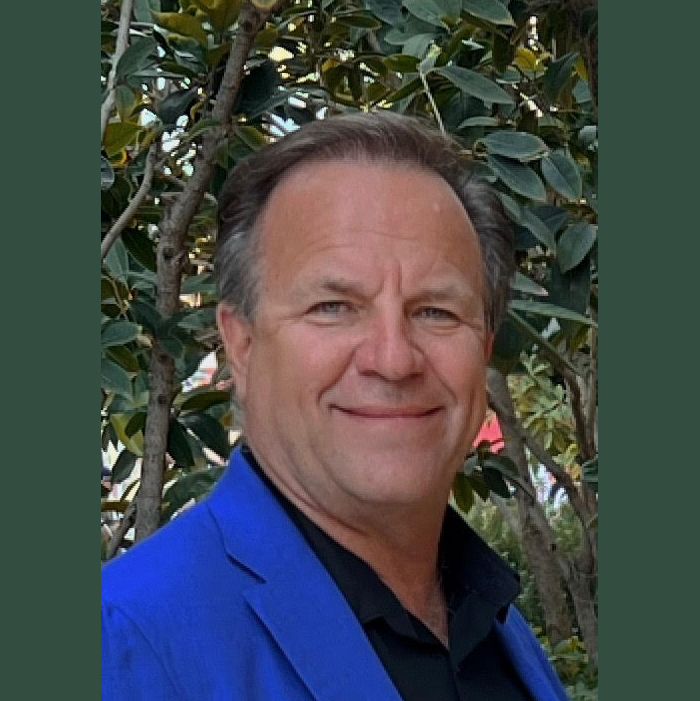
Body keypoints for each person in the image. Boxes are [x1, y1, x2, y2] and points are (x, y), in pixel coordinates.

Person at [101, 112, 568, 701]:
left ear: (484, 348)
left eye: (436, 312)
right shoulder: (122, 646)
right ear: (241, 345)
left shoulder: (496, 630)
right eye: (333, 307)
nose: (393, 360)